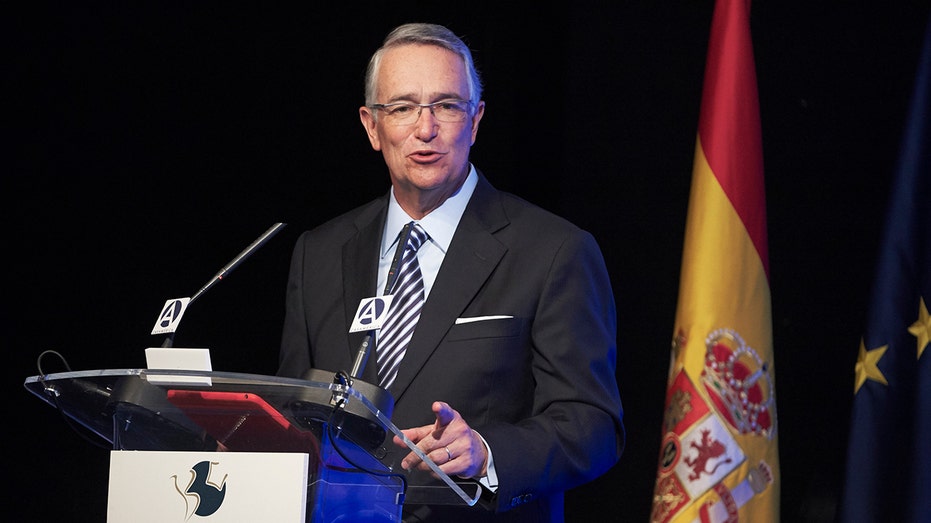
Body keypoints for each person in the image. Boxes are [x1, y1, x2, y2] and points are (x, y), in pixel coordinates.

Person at [277, 22, 624, 522]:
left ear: (475, 120)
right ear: (372, 126)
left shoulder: (554, 251)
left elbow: (593, 426)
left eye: (446, 105)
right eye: (402, 107)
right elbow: (293, 412)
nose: (425, 129)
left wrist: (487, 453)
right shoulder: (320, 253)